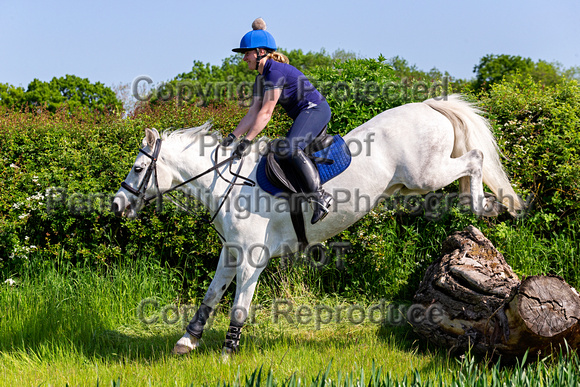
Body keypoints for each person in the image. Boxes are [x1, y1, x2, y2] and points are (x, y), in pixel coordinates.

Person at [222, 18, 333, 224]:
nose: (244, 58)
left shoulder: (275, 71)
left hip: (315, 110)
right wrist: (232, 138)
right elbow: (252, 114)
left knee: (288, 148)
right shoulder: (260, 78)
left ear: (260, 52)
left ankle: (319, 197)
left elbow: (266, 112)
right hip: (304, 114)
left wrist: (247, 142)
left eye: (247, 53)